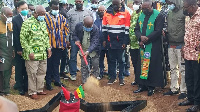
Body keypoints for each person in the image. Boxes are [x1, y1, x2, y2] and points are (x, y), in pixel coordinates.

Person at [133, 0, 165, 96]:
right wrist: (140, 38)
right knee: (142, 65)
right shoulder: (141, 15)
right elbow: (136, 29)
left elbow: (158, 30)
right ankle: (142, 85)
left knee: (151, 65)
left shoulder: (158, 15)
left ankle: (151, 86)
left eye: (146, 8)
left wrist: (147, 39)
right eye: (142, 8)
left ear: (151, 6)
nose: (144, 10)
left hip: (153, 45)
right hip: (142, 45)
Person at [20, 5, 51, 99]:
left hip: (42, 53)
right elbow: (23, 39)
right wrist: (29, 51)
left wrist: (48, 48)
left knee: (42, 72)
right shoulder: (27, 23)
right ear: (35, 13)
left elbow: (46, 37)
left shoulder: (43, 22)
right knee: (32, 73)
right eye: (41, 14)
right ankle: (32, 91)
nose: (43, 16)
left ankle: (39, 89)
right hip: (32, 54)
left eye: (44, 14)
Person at [178, 0, 200, 111]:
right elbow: (187, 34)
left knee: (197, 79)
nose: (184, 9)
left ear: (192, 6)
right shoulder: (189, 17)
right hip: (188, 53)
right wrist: (183, 46)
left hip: (197, 55)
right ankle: (190, 98)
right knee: (189, 78)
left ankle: (197, 103)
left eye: (185, 7)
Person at [163, 0, 187, 100]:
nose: (169, 5)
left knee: (183, 69)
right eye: (168, 3)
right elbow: (168, 25)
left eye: (170, 3)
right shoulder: (169, 12)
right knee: (173, 67)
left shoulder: (184, 12)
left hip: (181, 44)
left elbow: (187, 29)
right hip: (171, 44)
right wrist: (165, 30)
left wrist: (185, 44)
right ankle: (174, 88)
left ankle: (184, 90)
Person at [102, 0, 131, 86]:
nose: (116, 6)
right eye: (114, 4)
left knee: (121, 60)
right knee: (111, 60)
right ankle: (112, 77)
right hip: (110, 41)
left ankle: (121, 78)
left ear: (121, 4)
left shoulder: (126, 13)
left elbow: (127, 29)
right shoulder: (107, 13)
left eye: (118, 5)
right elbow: (104, 28)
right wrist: (104, 40)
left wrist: (125, 42)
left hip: (120, 41)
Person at [45, 0, 69, 90]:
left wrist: (66, 40)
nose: (56, 10)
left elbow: (66, 29)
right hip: (49, 45)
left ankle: (57, 80)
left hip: (59, 45)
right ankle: (48, 82)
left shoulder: (62, 17)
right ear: (51, 8)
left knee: (56, 64)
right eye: (54, 8)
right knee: (49, 64)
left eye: (57, 8)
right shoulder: (46, 17)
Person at [67, 0, 92, 81]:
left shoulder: (88, 12)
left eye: (80, 1)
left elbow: (91, 25)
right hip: (73, 38)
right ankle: (73, 73)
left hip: (85, 39)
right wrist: (67, 39)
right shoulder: (70, 13)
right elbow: (67, 27)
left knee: (85, 56)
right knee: (73, 56)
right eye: (77, 1)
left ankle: (85, 73)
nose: (78, 2)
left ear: (83, 1)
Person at [73, 16, 100, 83]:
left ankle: (94, 81)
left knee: (95, 65)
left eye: (89, 26)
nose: (88, 28)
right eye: (86, 26)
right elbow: (74, 34)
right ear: (83, 24)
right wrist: (76, 40)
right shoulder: (78, 26)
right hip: (83, 49)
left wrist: (88, 51)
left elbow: (95, 42)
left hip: (93, 50)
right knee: (84, 66)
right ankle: (85, 82)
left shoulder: (95, 29)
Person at [12, 0, 28, 95]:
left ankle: (26, 85)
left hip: (28, 49)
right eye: (23, 9)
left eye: (26, 8)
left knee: (27, 67)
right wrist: (18, 49)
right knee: (19, 68)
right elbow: (16, 36)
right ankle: (19, 86)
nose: (25, 10)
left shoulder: (29, 18)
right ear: (18, 9)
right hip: (20, 49)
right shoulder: (15, 20)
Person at [0, 6, 13, 95]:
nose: (9, 18)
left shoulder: (10, 24)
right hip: (2, 52)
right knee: (2, 71)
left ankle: (6, 89)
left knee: (8, 70)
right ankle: (1, 90)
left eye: (11, 16)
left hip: (9, 52)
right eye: (8, 16)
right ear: (2, 15)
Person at [129, 0, 142, 85]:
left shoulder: (142, 14)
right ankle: (137, 80)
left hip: (139, 44)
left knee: (140, 63)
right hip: (132, 44)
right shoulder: (133, 13)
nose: (135, 5)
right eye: (134, 3)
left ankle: (141, 81)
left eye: (137, 3)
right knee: (134, 62)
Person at [94, 5, 108, 79]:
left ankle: (111, 74)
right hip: (99, 44)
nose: (101, 12)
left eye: (103, 10)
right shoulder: (96, 21)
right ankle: (101, 72)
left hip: (108, 43)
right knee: (100, 59)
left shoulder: (109, 19)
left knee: (110, 59)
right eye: (100, 11)